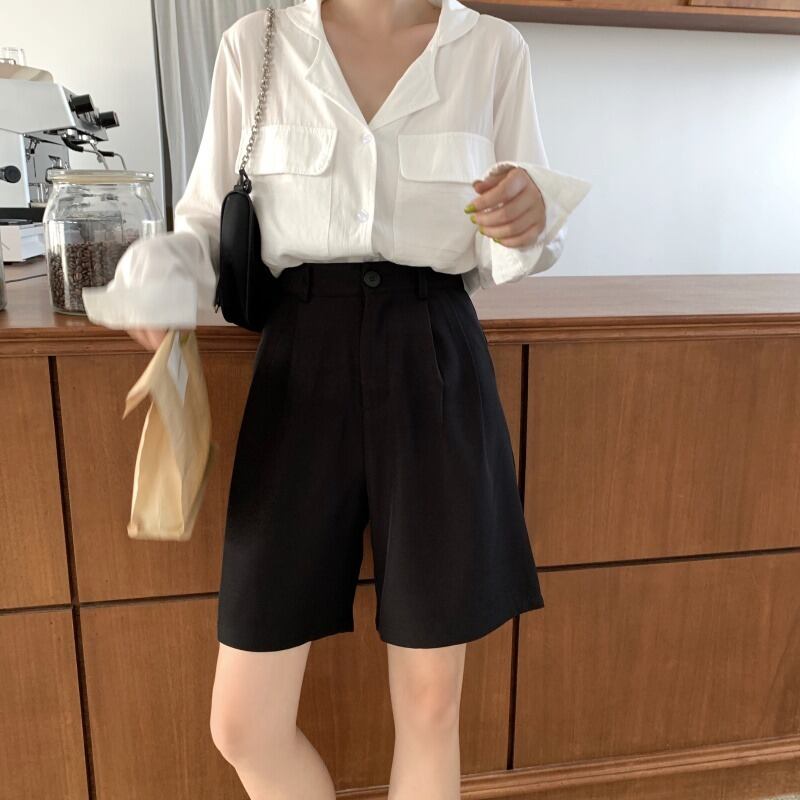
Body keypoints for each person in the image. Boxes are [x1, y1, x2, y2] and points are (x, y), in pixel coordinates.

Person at [83, 0, 591, 796]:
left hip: (433, 358)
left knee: (431, 705)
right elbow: (207, 223)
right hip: (301, 367)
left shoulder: (491, 49)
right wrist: (158, 271)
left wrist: (530, 218)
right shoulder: (256, 44)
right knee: (243, 723)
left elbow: (516, 234)